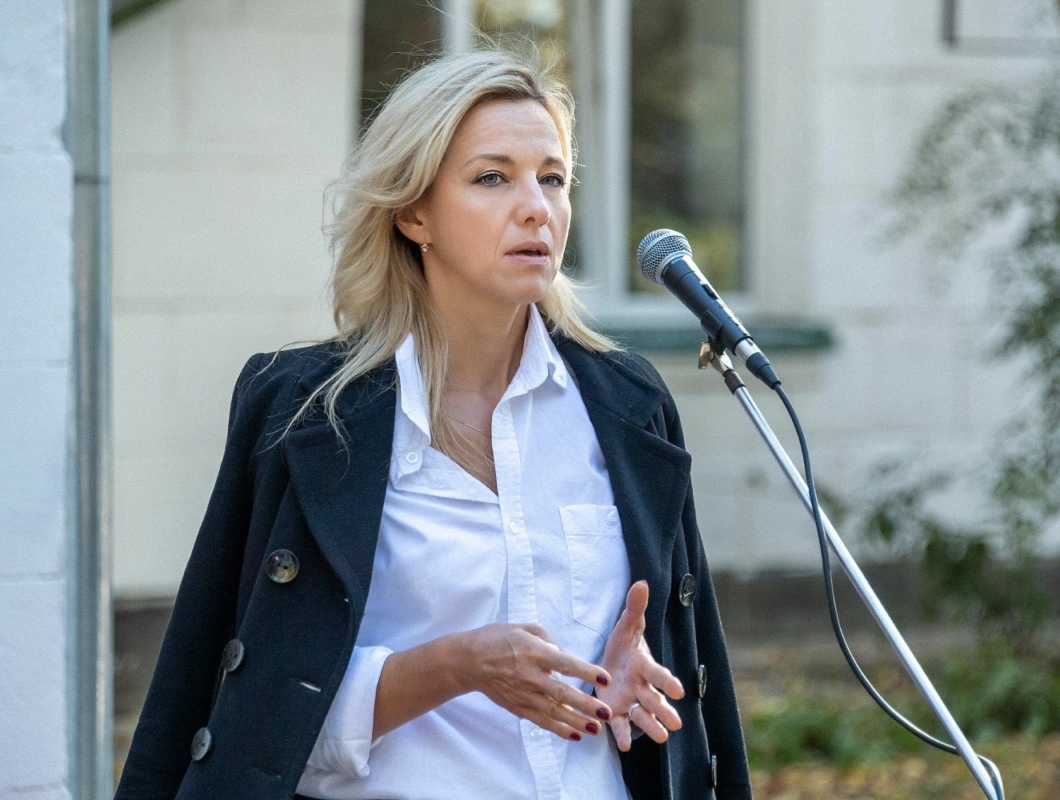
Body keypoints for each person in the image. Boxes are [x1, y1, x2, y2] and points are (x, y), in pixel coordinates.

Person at [114, 47, 750, 800]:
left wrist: (628, 687)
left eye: (552, 178)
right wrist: (456, 666)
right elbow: (254, 714)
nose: (536, 208)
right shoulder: (304, 413)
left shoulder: (628, 404)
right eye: (492, 178)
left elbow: (692, 682)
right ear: (414, 213)